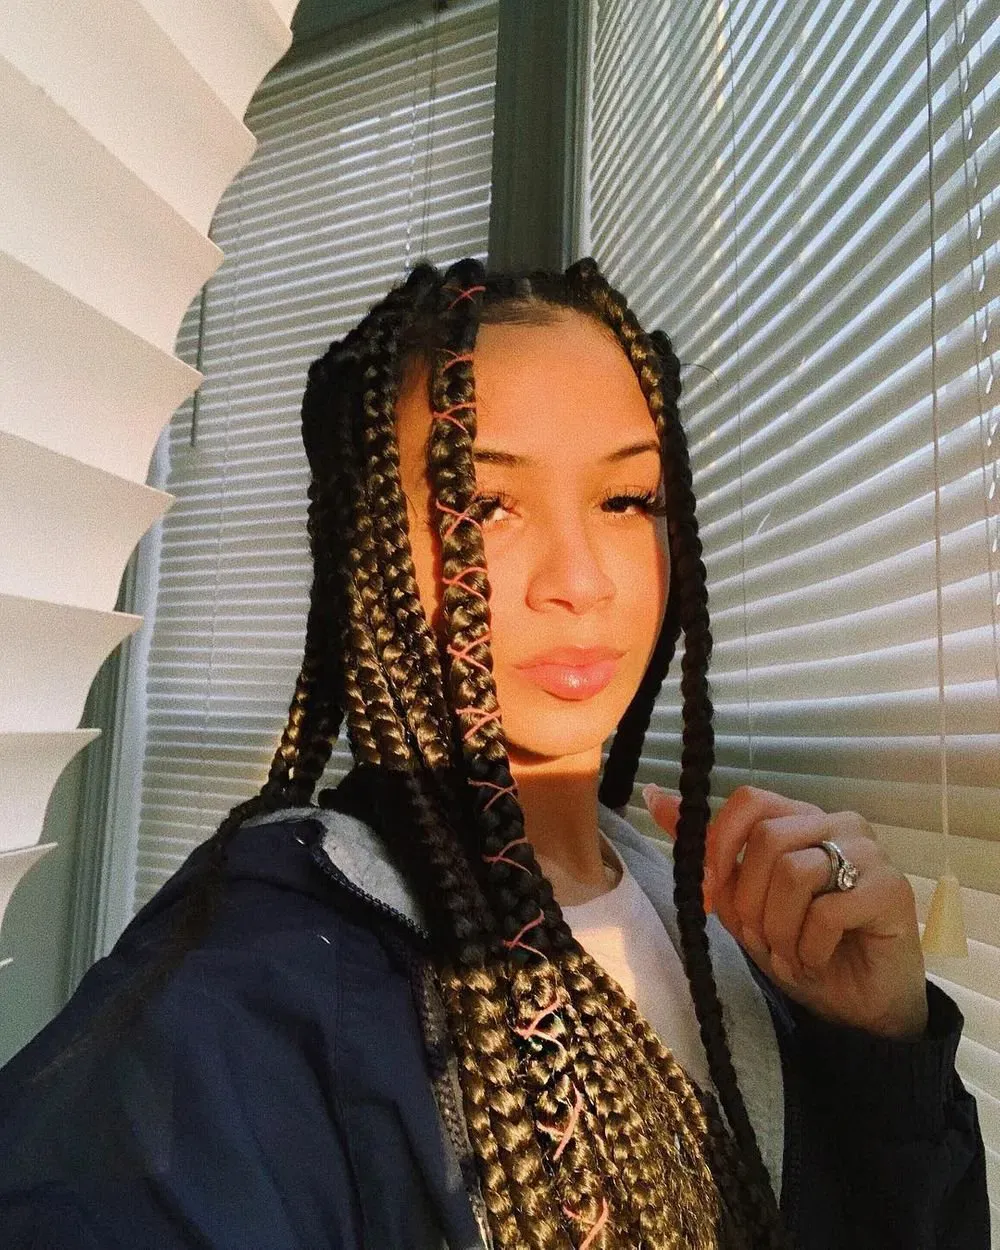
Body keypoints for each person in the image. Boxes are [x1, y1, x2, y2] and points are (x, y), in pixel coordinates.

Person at [0, 257, 989, 1249]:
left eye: (626, 499)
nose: (581, 579)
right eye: (482, 506)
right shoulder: (259, 979)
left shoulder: (737, 936)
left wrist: (880, 1054)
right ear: (365, 553)